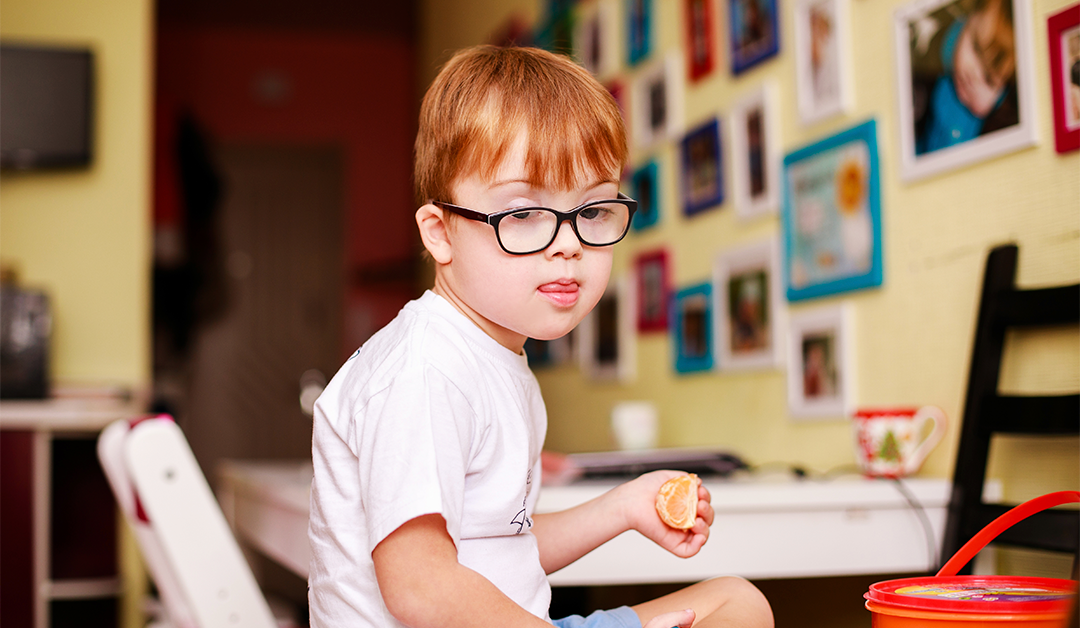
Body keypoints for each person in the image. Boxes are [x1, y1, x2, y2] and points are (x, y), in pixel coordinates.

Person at [307, 45, 774, 628]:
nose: (569, 243)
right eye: (524, 213)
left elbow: (502, 550)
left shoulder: (497, 360)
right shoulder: (424, 370)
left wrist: (624, 508)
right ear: (439, 234)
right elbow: (420, 586)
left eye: (593, 210)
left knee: (736, 602)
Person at [913, 0, 1017, 154]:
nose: (973, 74)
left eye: (988, 79)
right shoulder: (928, 60)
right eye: (976, 47)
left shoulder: (995, 128)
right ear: (966, 23)